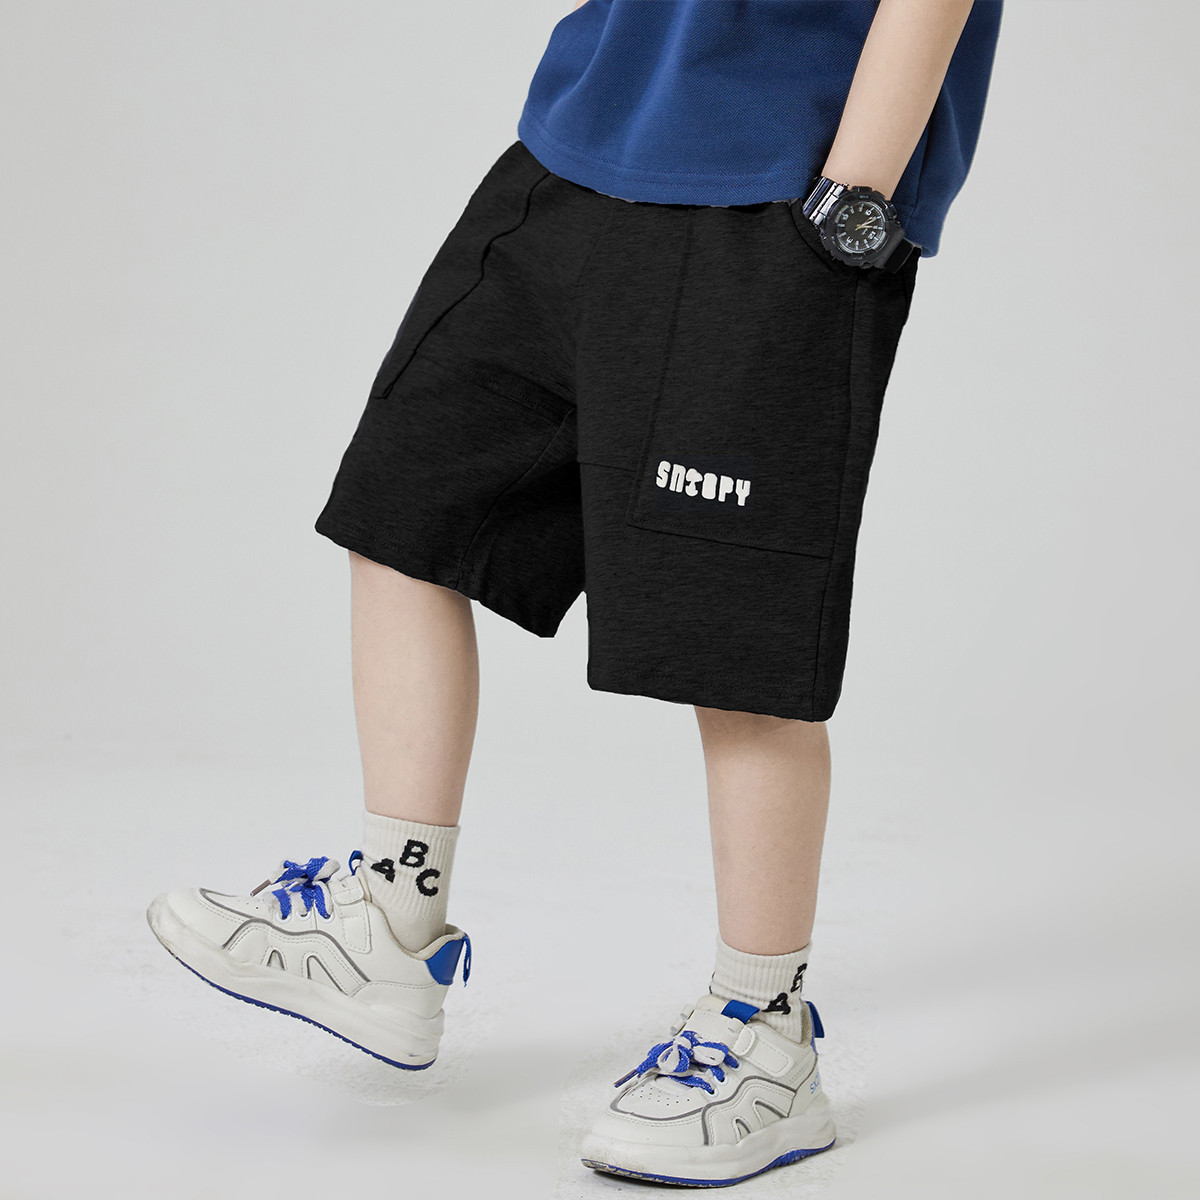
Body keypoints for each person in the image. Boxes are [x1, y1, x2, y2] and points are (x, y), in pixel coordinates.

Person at [146, 0, 1003, 1188]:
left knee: (733, 642)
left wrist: (852, 196)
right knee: (404, 512)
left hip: (775, 186)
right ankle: (390, 925)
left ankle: (764, 1034)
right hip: (580, 144)